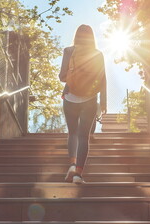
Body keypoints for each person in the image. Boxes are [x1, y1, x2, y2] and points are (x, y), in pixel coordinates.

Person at [59, 24, 107, 184]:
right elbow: (102, 79)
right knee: (83, 137)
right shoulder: (98, 54)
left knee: (72, 133)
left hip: (70, 98)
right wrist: (104, 101)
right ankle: (78, 175)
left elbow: (62, 76)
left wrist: (73, 77)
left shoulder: (68, 51)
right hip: (90, 99)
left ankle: (72, 165)